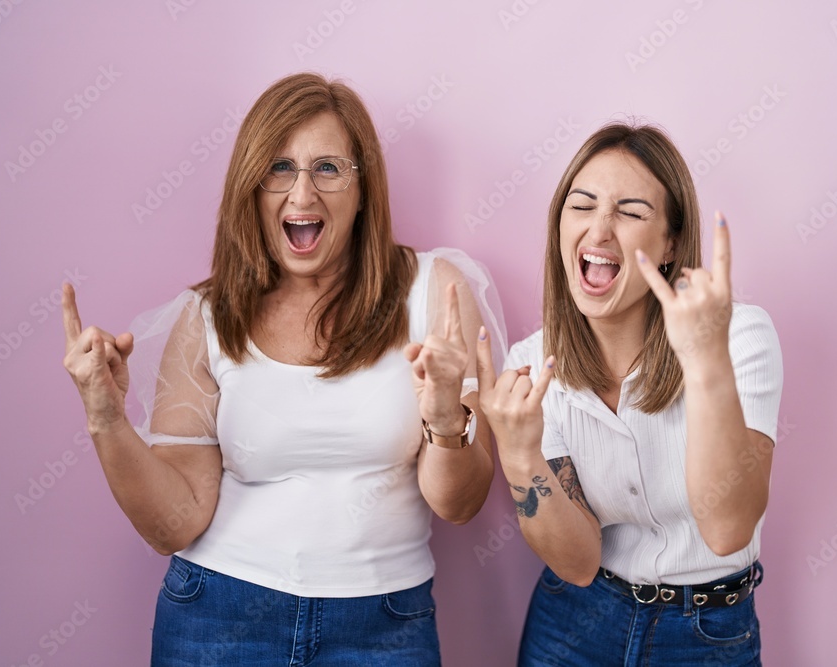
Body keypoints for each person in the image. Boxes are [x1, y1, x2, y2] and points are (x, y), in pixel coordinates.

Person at [61, 72, 506, 666]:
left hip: (383, 626)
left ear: (364, 187)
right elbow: (176, 523)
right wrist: (106, 419)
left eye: (328, 168)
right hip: (217, 618)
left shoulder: (434, 293)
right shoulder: (207, 317)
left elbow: (459, 504)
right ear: (252, 187)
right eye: (279, 168)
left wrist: (448, 417)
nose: (302, 196)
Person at [475, 122, 783, 666]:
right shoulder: (531, 364)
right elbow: (577, 562)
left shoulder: (738, 337)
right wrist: (521, 456)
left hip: (707, 634)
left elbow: (728, 527)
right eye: (582, 205)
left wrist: (707, 364)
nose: (599, 229)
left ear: (669, 244)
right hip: (573, 622)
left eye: (631, 211)